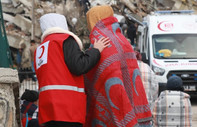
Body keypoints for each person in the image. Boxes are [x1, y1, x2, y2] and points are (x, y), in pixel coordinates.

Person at [34, 13, 110, 127]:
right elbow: (79, 66)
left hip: (47, 110)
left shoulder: (40, 49)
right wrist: (96, 50)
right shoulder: (64, 40)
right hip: (67, 108)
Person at [85, 5, 152, 127]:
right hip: (134, 109)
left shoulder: (100, 42)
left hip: (111, 111)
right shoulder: (122, 39)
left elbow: (94, 75)